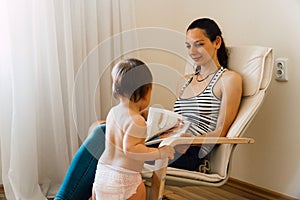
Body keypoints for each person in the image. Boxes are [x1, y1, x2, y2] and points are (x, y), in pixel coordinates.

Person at [55, 17, 242, 200]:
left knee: (103, 133)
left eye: (199, 44)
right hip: (168, 141)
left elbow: (221, 132)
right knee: (102, 128)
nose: (192, 51)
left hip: (189, 151)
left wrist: (190, 139)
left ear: (216, 42)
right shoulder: (185, 81)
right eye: (188, 46)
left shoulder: (229, 80)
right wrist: (144, 117)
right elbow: (177, 120)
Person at [91, 58, 175, 200]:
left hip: (102, 174)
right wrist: (160, 152)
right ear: (146, 91)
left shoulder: (113, 112)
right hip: (124, 178)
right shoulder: (137, 120)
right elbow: (131, 149)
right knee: (140, 191)